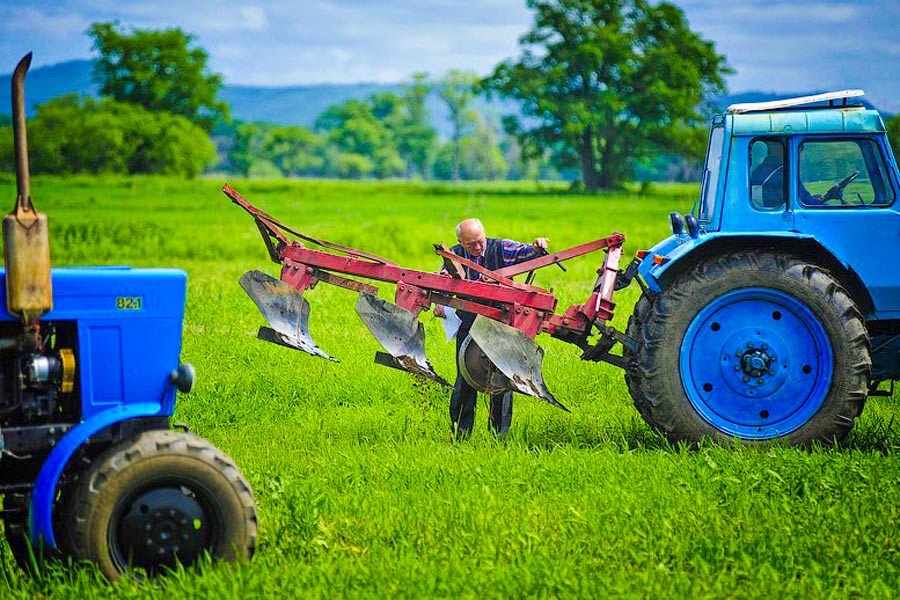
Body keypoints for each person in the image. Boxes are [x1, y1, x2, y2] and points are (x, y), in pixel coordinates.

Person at [433, 218, 549, 439]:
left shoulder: (500, 248)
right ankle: (461, 433)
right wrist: (440, 303)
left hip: (500, 324)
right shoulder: (454, 256)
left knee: (502, 380)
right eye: (470, 245)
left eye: (480, 241)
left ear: (484, 235)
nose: (477, 248)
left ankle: (499, 436)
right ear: (460, 242)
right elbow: (443, 284)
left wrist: (537, 246)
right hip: (469, 324)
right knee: (466, 377)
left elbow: (528, 252)